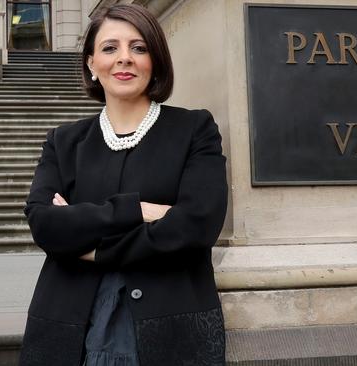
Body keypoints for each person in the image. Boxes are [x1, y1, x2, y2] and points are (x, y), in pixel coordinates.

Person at [18, 4, 228, 366]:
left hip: (172, 328)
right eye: (110, 48)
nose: (124, 59)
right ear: (91, 63)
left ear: (155, 60)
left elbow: (197, 225)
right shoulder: (64, 142)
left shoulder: (194, 130)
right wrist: (140, 211)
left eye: (139, 48)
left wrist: (94, 247)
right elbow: (45, 223)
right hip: (69, 328)